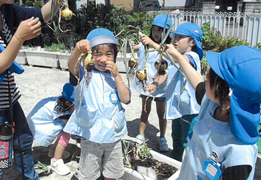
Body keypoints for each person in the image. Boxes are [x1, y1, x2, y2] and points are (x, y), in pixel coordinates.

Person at [0, 0, 67, 179]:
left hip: (8, 97)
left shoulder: (5, 10)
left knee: (23, 141)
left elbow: (40, 16)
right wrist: (19, 37)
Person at [164, 44, 261, 180]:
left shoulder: (239, 153)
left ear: (227, 100)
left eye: (211, 76)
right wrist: (178, 57)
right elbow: (197, 83)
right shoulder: (211, 104)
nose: (206, 76)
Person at [65, 28, 131, 180]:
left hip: (113, 137)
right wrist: (77, 49)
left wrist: (117, 76)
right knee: (89, 174)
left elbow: (126, 99)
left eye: (109, 54)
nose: (103, 59)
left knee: (112, 173)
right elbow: (71, 64)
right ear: (89, 55)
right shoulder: (85, 73)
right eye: (97, 54)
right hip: (91, 135)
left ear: (115, 55)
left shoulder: (115, 77)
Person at [148, 22, 203, 161]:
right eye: (175, 37)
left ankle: (190, 168)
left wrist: (155, 45)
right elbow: (167, 73)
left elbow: (181, 61)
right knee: (177, 138)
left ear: (192, 42)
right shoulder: (176, 58)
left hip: (191, 111)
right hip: (179, 109)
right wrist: (155, 84)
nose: (175, 40)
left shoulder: (191, 56)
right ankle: (175, 161)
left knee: (191, 142)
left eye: (180, 37)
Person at [132, 14, 173, 152]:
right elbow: (133, 48)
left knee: (162, 113)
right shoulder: (145, 45)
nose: (156, 33)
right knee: (145, 110)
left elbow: (166, 63)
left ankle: (162, 137)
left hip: (161, 86)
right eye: (154, 30)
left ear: (166, 32)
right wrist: (131, 47)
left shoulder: (167, 48)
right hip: (146, 84)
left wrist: (151, 42)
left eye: (160, 30)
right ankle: (141, 135)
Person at [27, 83, 75, 176]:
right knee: (67, 132)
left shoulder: (63, 102)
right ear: (68, 103)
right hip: (39, 125)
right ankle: (56, 161)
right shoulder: (62, 111)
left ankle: (53, 150)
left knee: (65, 127)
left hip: (37, 120)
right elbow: (73, 126)